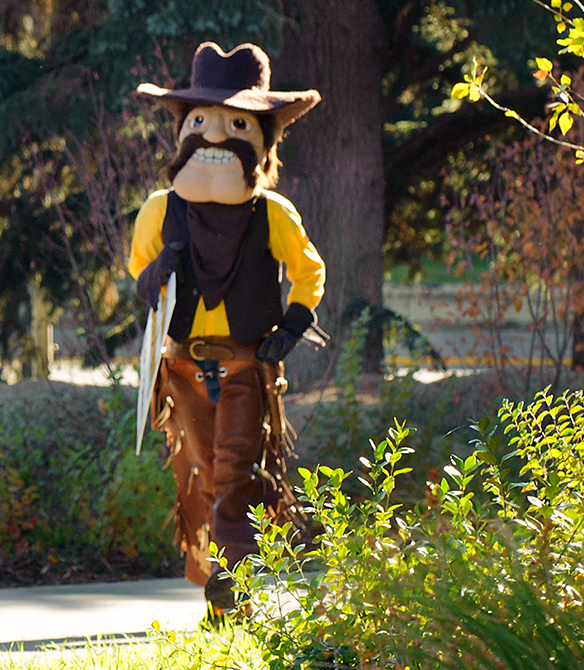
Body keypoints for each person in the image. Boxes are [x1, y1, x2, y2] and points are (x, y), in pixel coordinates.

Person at [129, 42, 325, 620]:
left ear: (262, 139)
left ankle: (231, 593)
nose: (215, 135)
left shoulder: (273, 214)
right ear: (184, 129)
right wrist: (159, 269)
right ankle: (282, 523)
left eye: (236, 123)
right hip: (183, 368)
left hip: (245, 364)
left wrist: (291, 326)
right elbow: (139, 274)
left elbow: (309, 270)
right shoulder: (159, 212)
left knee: (231, 469)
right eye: (201, 120)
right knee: (207, 477)